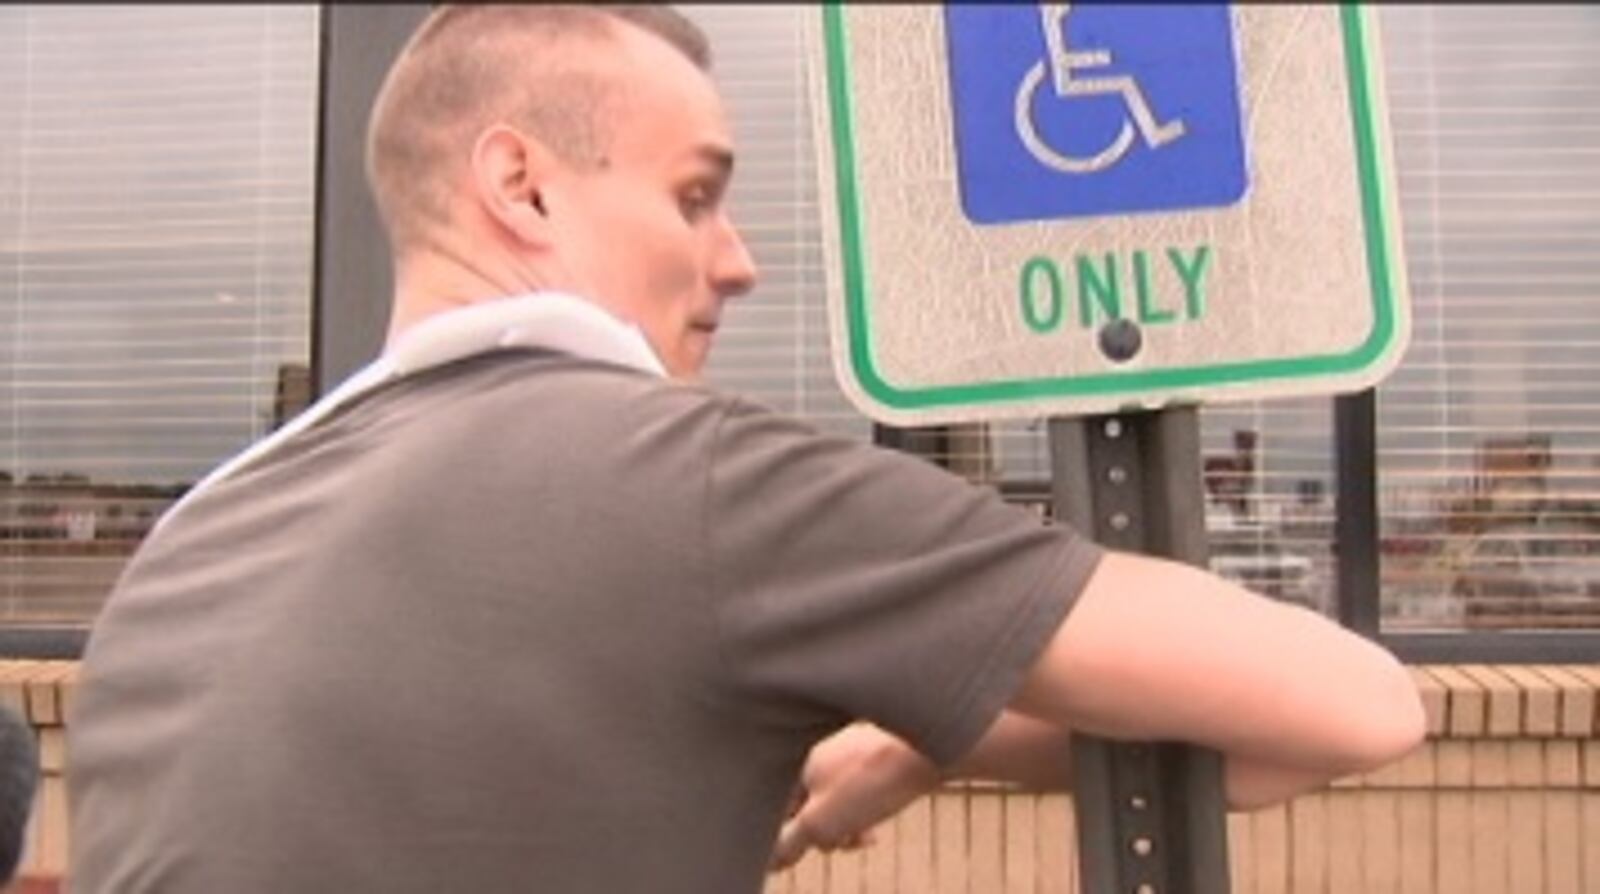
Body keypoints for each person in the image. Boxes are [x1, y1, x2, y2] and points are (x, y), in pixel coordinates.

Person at [66, 5, 1425, 893]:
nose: (740, 261)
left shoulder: (182, 555)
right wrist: (929, 738)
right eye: (695, 195)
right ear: (521, 183)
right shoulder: (696, 486)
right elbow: (1350, 706)